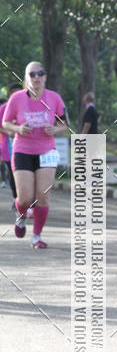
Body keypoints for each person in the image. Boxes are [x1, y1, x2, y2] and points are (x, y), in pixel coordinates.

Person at [2, 62, 68, 248]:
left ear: (45, 77)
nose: (36, 77)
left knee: (43, 196)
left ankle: (37, 236)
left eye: (40, 73)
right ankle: (21, 216)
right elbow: (6, 123)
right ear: (26, 78)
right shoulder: (17, 98)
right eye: (32, 74)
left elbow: (64, 124)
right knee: (25, 198)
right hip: (22, 150)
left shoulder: (54, 98)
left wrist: (55, 129)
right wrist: (18, 128)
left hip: (47, 151)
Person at [0, 82, 22, 202]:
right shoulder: (4, 108)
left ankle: (26, 200)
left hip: (25, 147)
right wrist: (8, 132)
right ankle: (15, 198)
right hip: (8, 147)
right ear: (9, 95)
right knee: (13, 173)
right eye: (14, 93)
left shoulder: (26, 106)